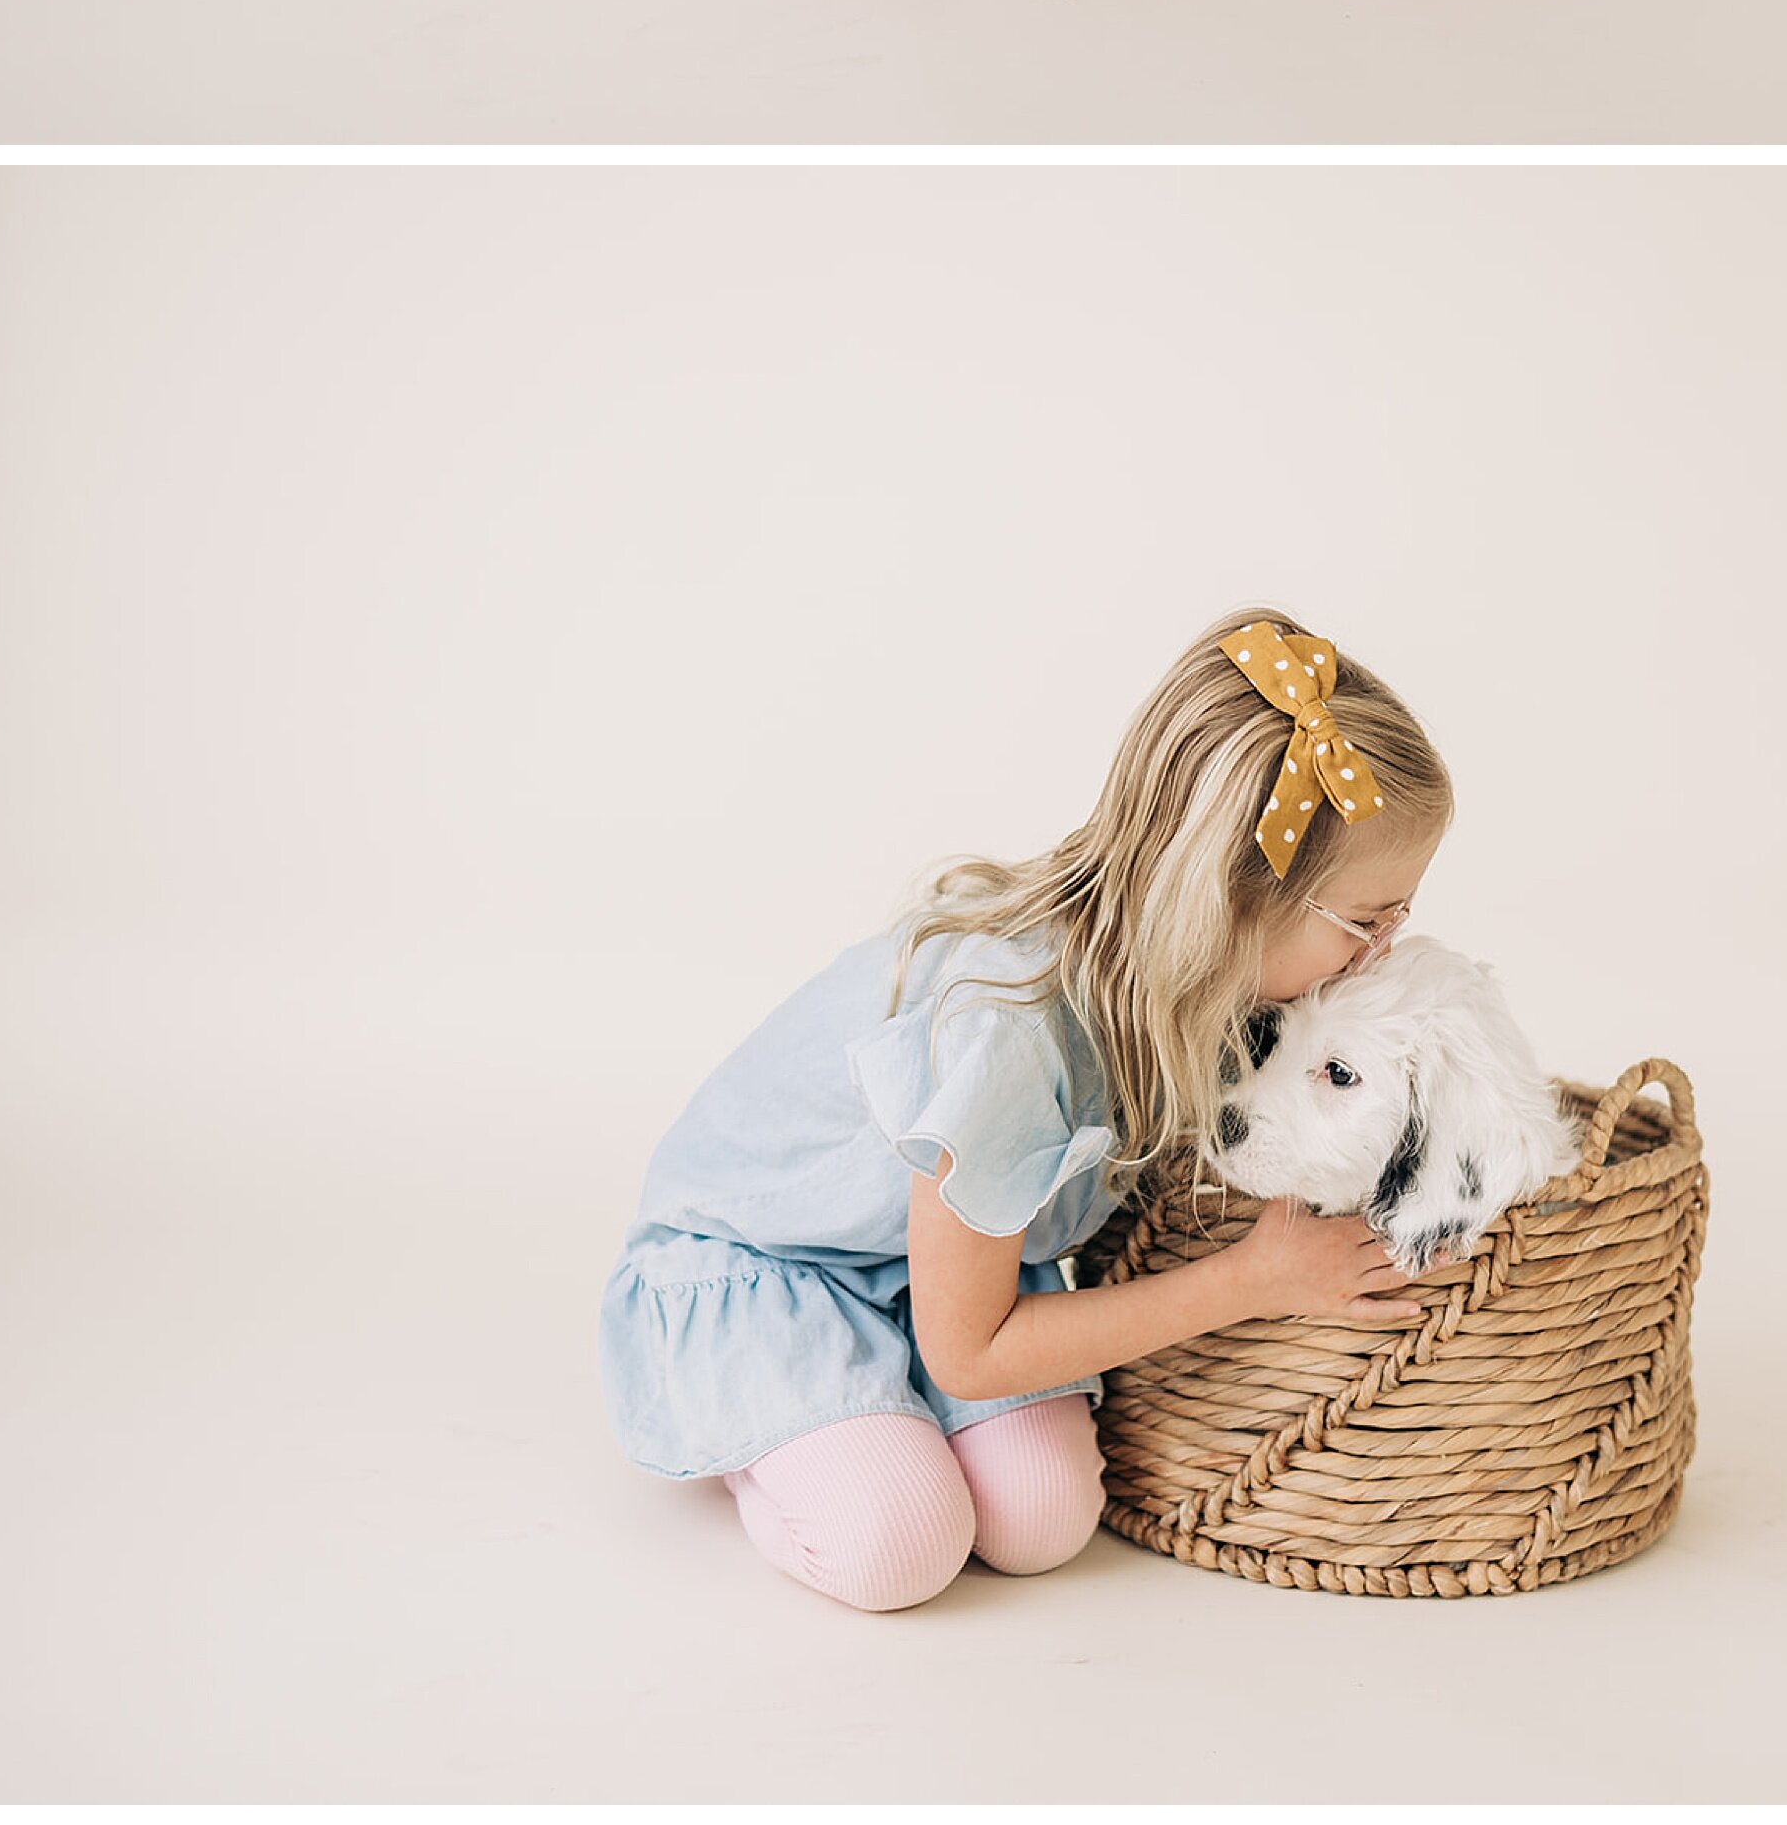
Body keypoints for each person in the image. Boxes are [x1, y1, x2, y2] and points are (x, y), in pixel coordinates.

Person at [597, 608, 1452, 1609]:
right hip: (771, 1262)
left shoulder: (1205, 987)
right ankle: (772, 1423)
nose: (1383, 944)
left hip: (940, 1279)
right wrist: (1251, 1278)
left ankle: (881, 1399)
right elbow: (973, 1347)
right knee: (900, 1546)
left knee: (1041, 1522)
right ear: (1231, 894)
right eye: (1366, 918)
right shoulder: (1005, 1028)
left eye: (1402, 915)